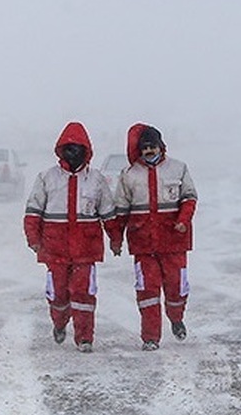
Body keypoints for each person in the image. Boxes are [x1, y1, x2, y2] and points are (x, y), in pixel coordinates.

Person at [23, 121, 121, 353]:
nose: (73, 153)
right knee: (58, 294)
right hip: (54, 248)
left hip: (86, 250)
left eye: (78, 148)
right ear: (61, 150)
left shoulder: (96, 180)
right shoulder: (47, 178)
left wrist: (115, 239)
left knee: (84, 294)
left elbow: (109, 213)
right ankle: (59, 322)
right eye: (69, 148)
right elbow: (33, 211)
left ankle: (84, 337)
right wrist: (33, 239)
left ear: (86, 151)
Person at [111, 124, 198, 351]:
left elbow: (189, 197)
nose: (149, 150)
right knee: (147, 291)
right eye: (145, 147)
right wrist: (116, 239)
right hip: (143, 244)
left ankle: (176, 318)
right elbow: (121, 210)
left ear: (161, 146)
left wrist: (183, 220)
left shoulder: (178, 169)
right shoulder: (128, 176)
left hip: (174, 242)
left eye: (153, 146)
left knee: (176, 289)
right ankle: (150, 337)